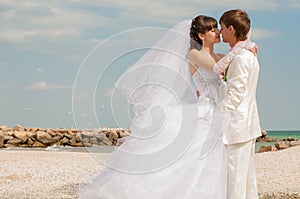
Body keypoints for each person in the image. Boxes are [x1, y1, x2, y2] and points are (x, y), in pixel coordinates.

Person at [79, 15, 255, 199]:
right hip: (204, 110)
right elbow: (220, 68)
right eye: (212, 29)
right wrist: (243, 47)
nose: (218, 32)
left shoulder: (217, 56)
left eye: (217, 28)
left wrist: (245, 47)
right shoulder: (195, 54)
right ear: (202, 36)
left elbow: (231, 63)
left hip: (216, 111)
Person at [215, 9, 262, 199]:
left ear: (231, 29)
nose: (220, 31)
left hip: (236, 129)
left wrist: (212, 114)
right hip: (246, 126)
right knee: (245, 182)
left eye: (223, 27)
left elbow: (234, 96)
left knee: (235, 182)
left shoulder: (242, 59)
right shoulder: (245, 54)